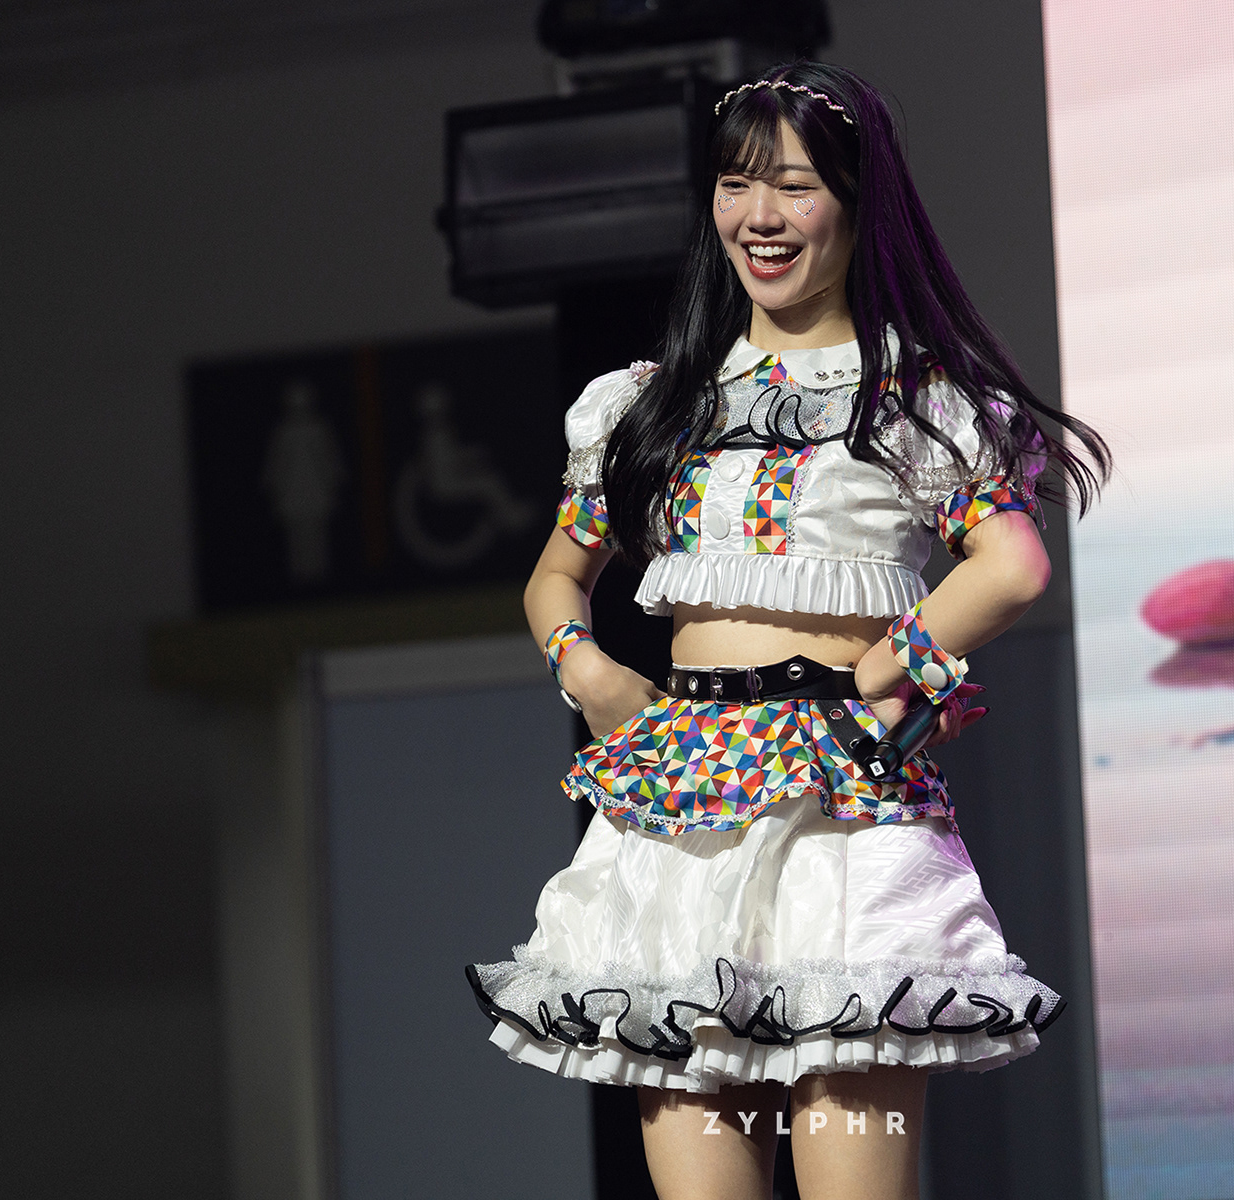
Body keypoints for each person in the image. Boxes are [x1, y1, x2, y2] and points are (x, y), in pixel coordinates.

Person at [466, 61, 1108, 1200]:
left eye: (796, 186)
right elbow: (557, 575)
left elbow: (1011, 564)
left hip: (838, 812)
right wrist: (590, 671)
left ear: (860, 204)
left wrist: (894, 659)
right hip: (676, 809)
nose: (759, 216)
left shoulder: (911, 399)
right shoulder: (652, 404)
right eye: (735, 184)